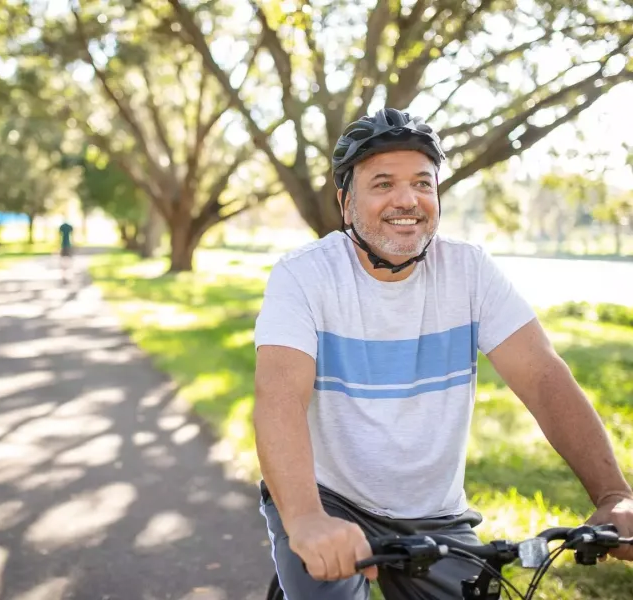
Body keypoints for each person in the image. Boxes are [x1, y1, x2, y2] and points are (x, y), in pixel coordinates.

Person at [253, 108, 633, 600]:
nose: (407, 199)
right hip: (329, 500)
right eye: (383, 183)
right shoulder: (303, 275)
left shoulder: (469, 271)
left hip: (436, 513)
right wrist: (305, 519)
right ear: (346, 204)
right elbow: (279, 396)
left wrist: (614, 495)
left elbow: (544, 379)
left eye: (423, 183)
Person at [58, 218, 74, 282]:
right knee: (68, 261)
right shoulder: (69, 227)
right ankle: (67, 275)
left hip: (63, 245)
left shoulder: (62, 227)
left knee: (63, 262)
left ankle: (64, 276)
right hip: (68, 246)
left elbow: (58, 236)